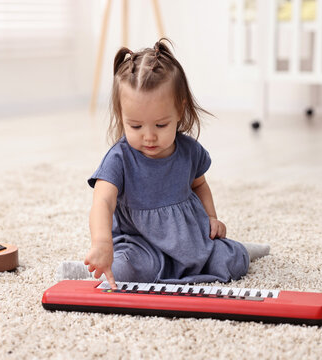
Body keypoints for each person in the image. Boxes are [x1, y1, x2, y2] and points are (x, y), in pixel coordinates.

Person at [59, 39, 269, 289]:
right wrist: (102, 243)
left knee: (233, 262)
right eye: (135, 126)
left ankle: (240, 249)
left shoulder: (189, 151)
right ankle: (90, 269)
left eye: (160, 125)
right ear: (121, 114)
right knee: (127, 270)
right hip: (139, 245)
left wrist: (212, 217)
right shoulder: (119, 159)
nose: (149, 136)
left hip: (191, 242)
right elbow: (102, 202)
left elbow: (199, 185)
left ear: (179, 111)